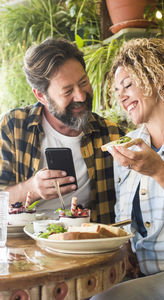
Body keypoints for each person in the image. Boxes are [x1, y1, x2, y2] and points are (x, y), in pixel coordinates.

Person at [91, 38, 164, 299]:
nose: (122, 96)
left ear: (158, 78)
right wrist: (126, 248)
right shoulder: (129, 144)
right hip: (146, 272)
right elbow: (125, 215)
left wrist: (159, 170)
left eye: (128, 84)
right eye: (118, 90)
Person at [0, 37, 125, 224]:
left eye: (83, 83)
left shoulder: (111, 135)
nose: (81, 96)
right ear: (41, 95)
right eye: (67, 91)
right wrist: (33, 188)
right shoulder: (13, 127)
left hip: (88, 246)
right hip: (25, 247)